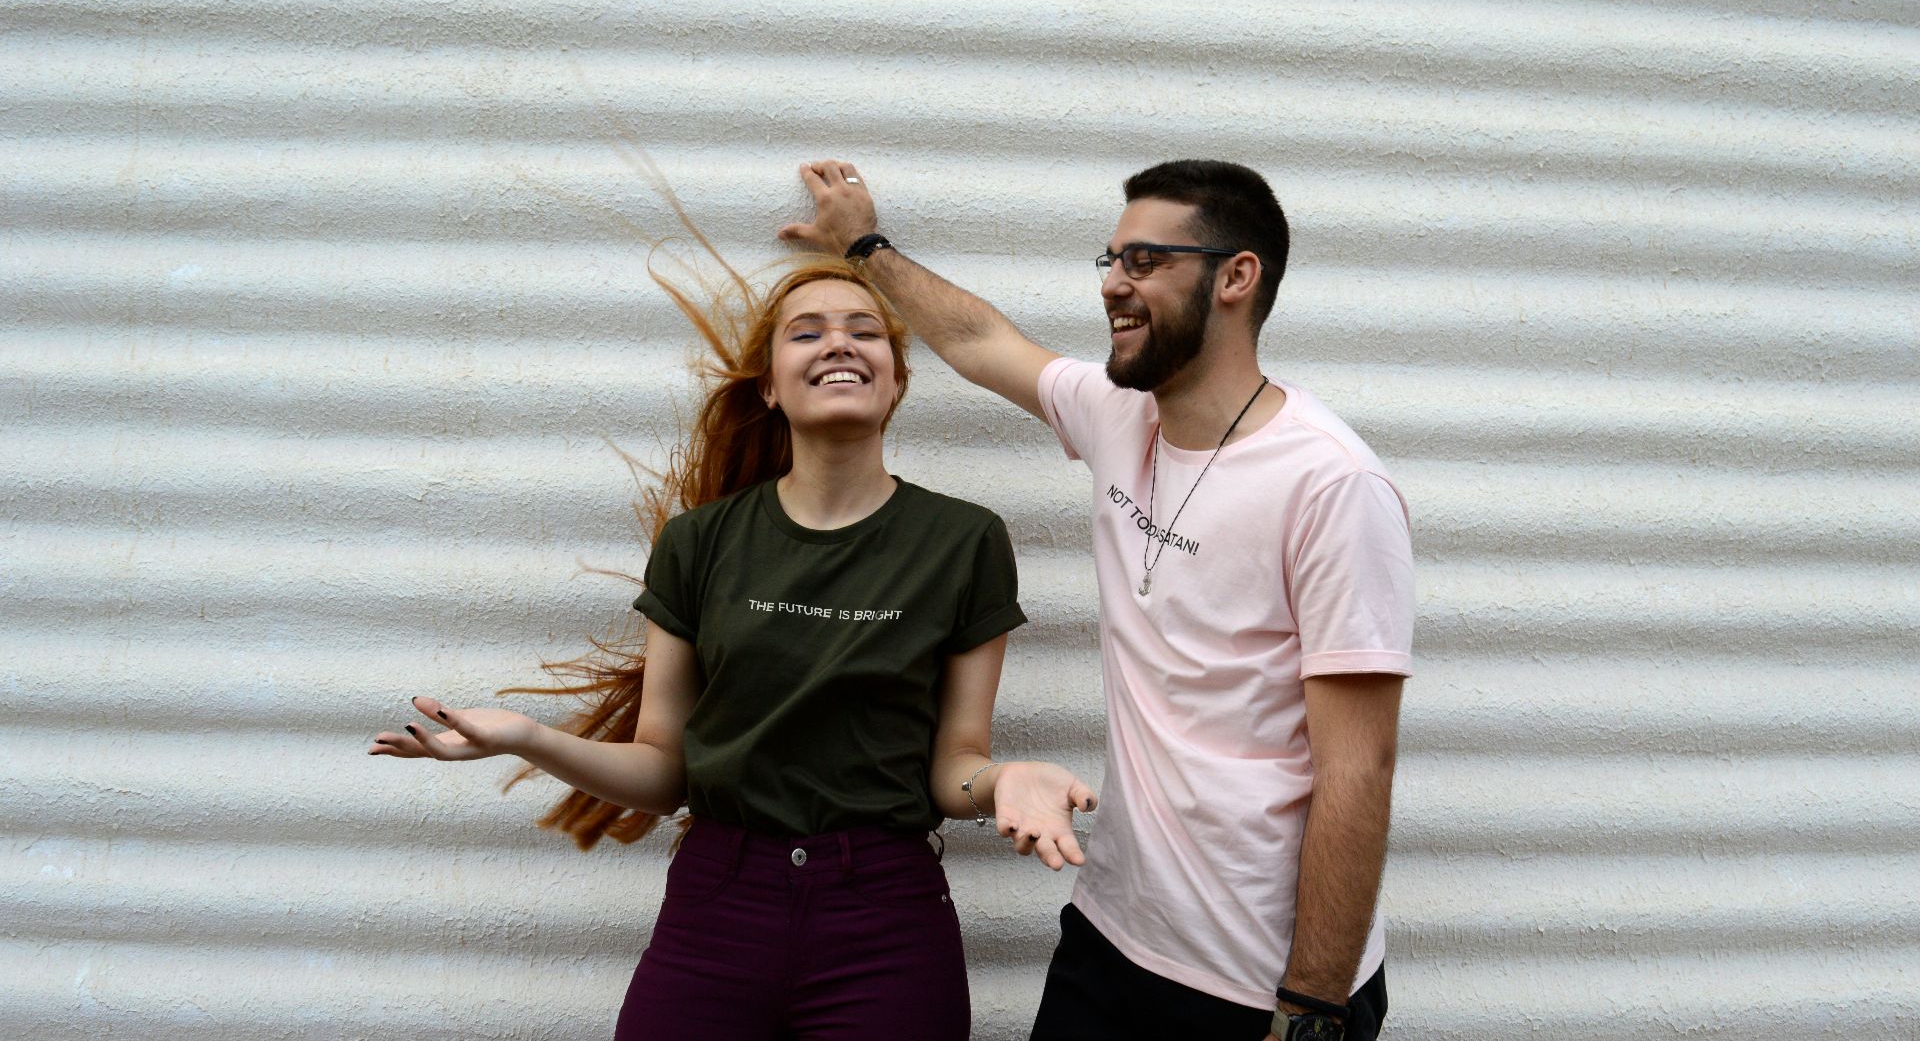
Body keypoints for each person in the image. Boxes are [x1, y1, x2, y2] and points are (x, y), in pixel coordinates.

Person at [368, 238, 1097, 1040]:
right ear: (770, 388)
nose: (840, 343)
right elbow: (662, 771)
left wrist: (1001, 783)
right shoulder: (698, 543)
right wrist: (529, 739)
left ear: (896, 379)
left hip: (885, 916)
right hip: (717, 907)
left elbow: (951, 765)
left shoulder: (963, 540)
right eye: (807, 331)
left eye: (865, 329)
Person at [778, 158, 1413, 1041]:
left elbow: (1359, 770)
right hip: (1114, 935)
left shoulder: (1331, 484)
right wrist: (864, 247)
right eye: (1110, 260)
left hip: (1256, 981)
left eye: (1145, 261)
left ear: (1237, 276)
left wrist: (1310, 1008)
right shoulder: (1122, 417)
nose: (1113, 284)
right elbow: (977, 342)